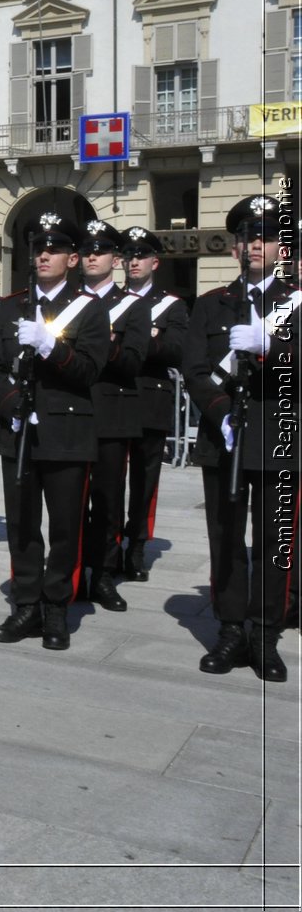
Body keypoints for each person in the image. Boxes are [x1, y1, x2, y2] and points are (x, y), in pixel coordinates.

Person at [183, 192, 298, 680]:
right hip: (225, 437)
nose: (254, 245)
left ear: (282, 248)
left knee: (275, 541)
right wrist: (222, 412)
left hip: (277, 437)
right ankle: (230, 629)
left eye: (266, 236)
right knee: (225, 538)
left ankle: (264, 632)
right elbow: (194, 368)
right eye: (245, 237)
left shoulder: (293, 304)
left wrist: (273, 346)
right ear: (233, 248)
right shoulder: (212, 304)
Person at [0, 213, 109, 651]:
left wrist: (51, 347)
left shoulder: (91, 308)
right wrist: (11, 404)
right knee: (21, 524)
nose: (43, 256)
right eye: (38, 248)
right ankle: (25, 605)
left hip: (68, 431)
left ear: (72, 258)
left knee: (65, 526)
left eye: (53, 249)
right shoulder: (9, 306)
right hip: (20, 429)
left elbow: (91, 369)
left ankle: (57, 608)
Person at [76, 220, 150, 612]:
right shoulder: (63, 299)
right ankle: (71, 574)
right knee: (69, 502)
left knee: (106, 500)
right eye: (87, 250)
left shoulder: (134, 306)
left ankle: (103, 574)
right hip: (68, 412)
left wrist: (102, 343)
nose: (92, 256)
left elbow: (135, 360)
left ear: (115, 259)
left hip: (111, 411)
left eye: (100, 251)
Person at [120, 226, 188, 581]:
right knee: (110, 478)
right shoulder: (109, 300)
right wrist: (148, 337)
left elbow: (177, 350)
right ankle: (110, 541)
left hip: (151, 399)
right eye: (129, 256)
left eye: (141, 256)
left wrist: (137, 339)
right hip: (115, 396)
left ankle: (137, 546)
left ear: (154, 262)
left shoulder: (171, 305)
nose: (134, 262)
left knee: (145, 479)